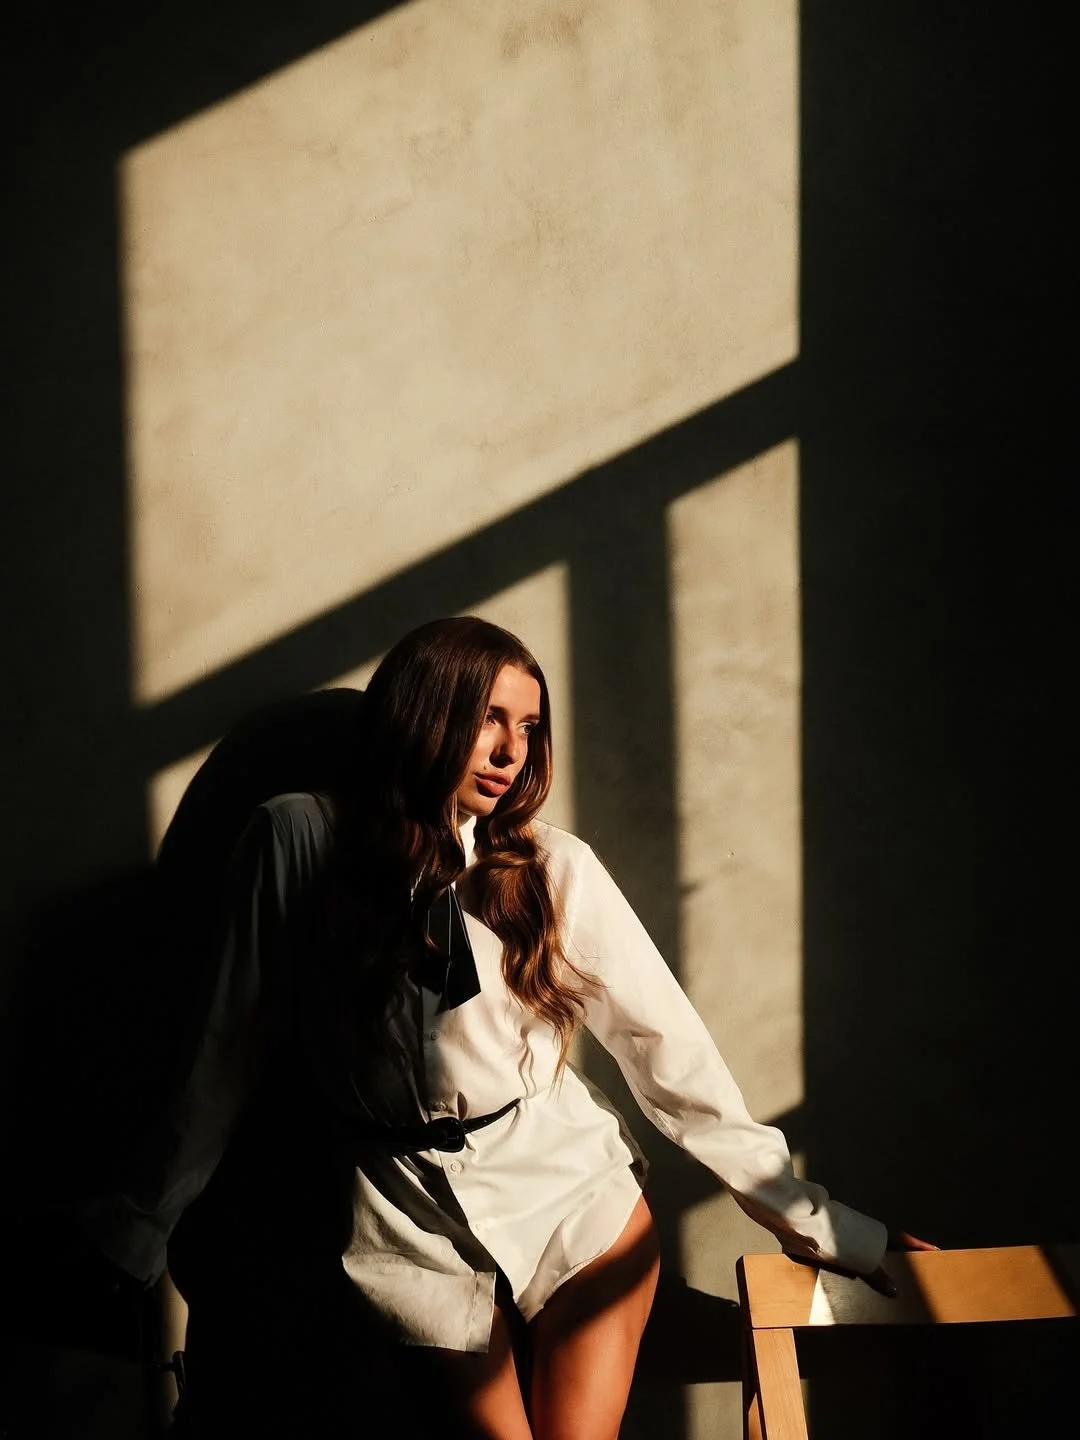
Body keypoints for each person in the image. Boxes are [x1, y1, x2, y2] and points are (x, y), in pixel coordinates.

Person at [76, 616, 933, 1439]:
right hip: (405, 1222)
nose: (510, 750)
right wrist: (136, 1235)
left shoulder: (551, 866)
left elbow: (669, 1052)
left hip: (575, 1197)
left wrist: (817, 1222)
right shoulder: (297, 837)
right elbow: (222, 1053)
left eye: (527, 725)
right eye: (488, 717)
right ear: (424, 710)